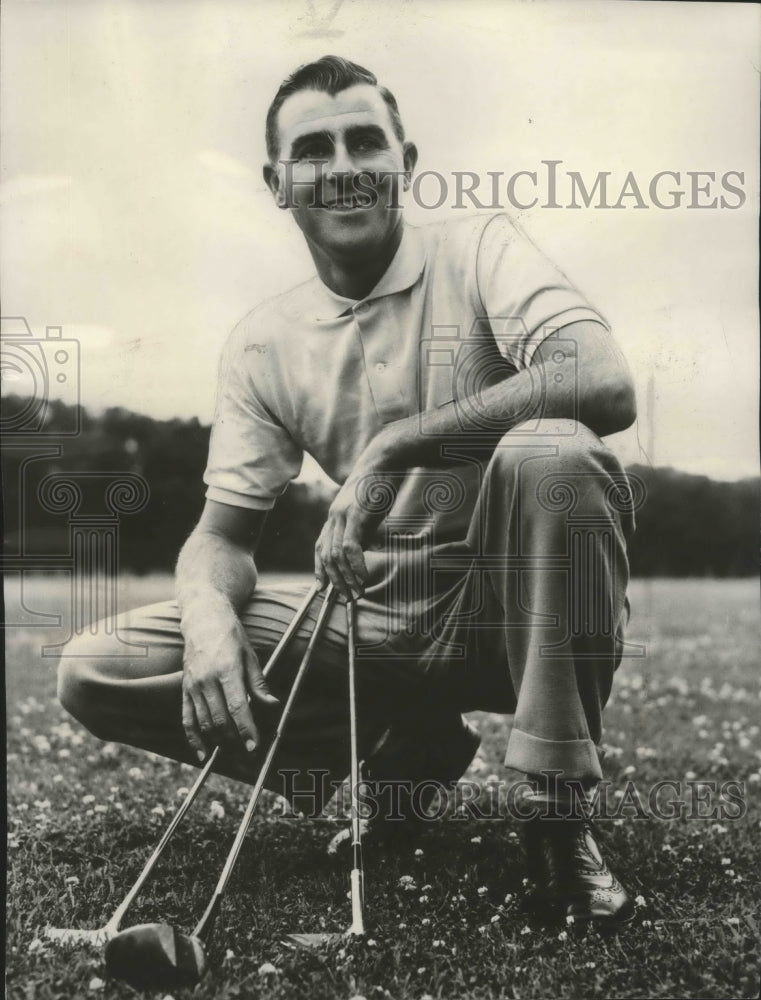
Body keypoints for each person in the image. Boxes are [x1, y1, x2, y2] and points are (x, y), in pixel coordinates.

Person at [58, 55, 638, 925]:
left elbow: (601, 378)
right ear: (277, 182)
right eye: (313, 149)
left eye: (366, 140)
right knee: (94, 668)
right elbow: (221, 537)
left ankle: (555, 814)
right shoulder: (262, 340)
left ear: (405, 161)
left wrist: (394, 447)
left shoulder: (478, 248)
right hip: (370, 619)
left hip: (516, 613)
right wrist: (210, 617)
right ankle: (405, 753)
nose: (342, 166)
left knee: (555, 452)